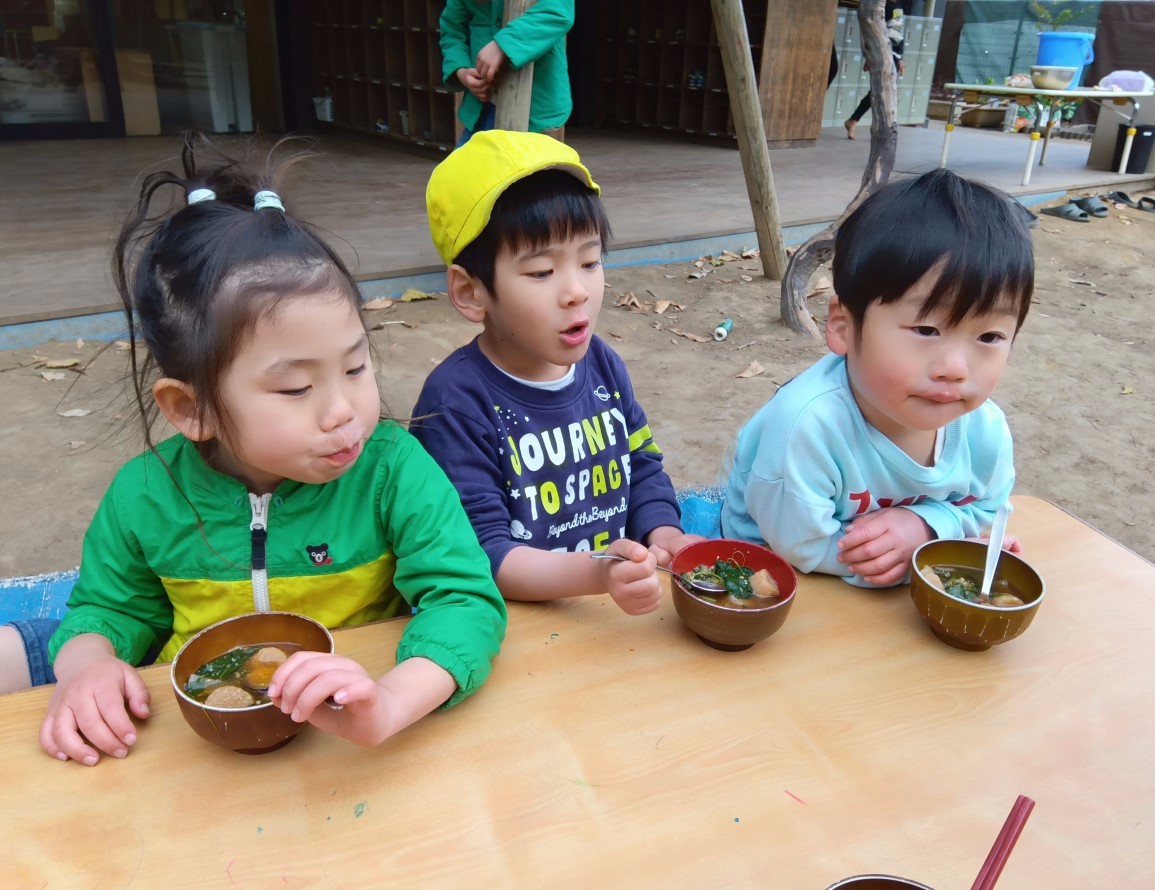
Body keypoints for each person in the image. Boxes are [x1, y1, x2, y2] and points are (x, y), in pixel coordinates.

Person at [0, 133, 506, 765]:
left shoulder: (392, 471)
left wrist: (393, 702)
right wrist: (87, 665)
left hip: (347, 740)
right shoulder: (144, 498)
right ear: (192, 409)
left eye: (355, 368)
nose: (343, 409)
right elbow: (108, 609)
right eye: (296, 387)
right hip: (197, 751)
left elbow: (464, 599)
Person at [413, 130, 702, 616]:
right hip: (525, 625)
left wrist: (663, 532)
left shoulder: (602, 364)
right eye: (542, 272)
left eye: (590, 261)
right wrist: (596, 572)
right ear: (471, 293)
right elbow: (487, 554)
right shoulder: (457, 402)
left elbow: (643, 465)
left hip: (611, 609)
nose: (577, 292)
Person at [721, 169, 1032, 588]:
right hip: (777, 572)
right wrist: (929, 555)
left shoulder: (985, 431)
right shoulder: (808, 425)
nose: (956, 367)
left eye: (990, 336)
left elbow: (990, 511)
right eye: (926, 330)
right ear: (844, 326)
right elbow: (801, 545)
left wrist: (924, 527)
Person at [439, 0, 574, 145]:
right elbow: (452, 28)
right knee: (462, 167)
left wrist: (502, 45)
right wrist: (461, 70)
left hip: (536, 103)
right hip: (481, 107)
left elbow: (557, 12)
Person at [844, 0, 907, 140]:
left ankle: (854, 120)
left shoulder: (900, 5)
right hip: (882, 52)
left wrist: (901, 57)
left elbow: (898, 32)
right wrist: (870, 55)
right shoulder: (880, 5)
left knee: (881, 91)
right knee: (878, 91)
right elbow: (871, 31)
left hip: (894, 55)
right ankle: (860, 122)